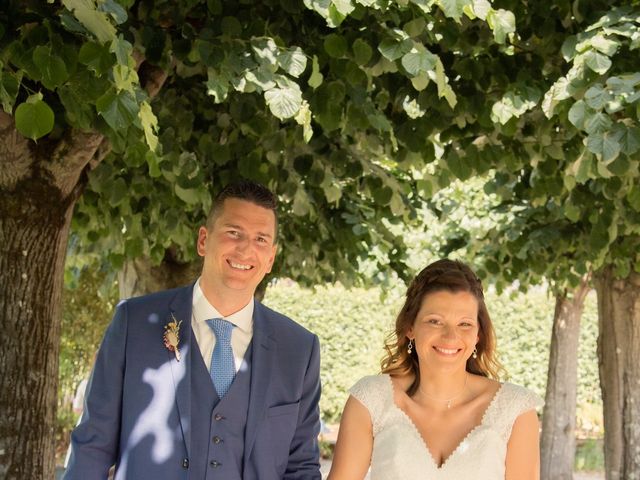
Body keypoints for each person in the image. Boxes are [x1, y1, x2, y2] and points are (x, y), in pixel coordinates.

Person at [65, 180, 322, 480]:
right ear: (203, 240)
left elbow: (301, 466)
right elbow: (93, 445)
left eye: (261, 239)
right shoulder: (133, 322)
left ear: (271, 258)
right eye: (233, 233)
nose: (246, 249)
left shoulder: (299, 349)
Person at [328, 259, 542, 480]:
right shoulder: (371, 399)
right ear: (410, 327)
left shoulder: (515, 409)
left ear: (478, 334)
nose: (451, 336)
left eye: (465, 324)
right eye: (435, 321)